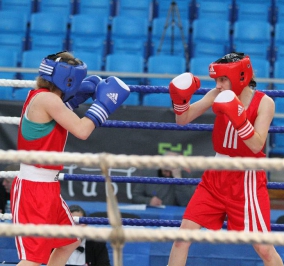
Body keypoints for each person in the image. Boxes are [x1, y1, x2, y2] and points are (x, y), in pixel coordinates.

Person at [10, 50, 130, 266]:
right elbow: (82, 130)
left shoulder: (42, 96)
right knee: (33, 260)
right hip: (34, 189)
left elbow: (59, 113)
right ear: (68, 80)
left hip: (48, 188)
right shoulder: (48, 100)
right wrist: (104, 104)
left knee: (69, 241)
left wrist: (78, 97)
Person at [167, 52, 284, 266]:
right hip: (216, 175)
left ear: (240, 76)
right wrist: (180, 100)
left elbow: (257, 144)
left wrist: (238, 117)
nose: (218, 85)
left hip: (246, 179)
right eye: (217, 80)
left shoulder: (264, 103)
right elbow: (182, 119)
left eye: (223, 79)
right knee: (182, 239)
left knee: (264, 249)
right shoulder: (215, 94)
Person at [131, 152, 197, 207]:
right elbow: (136, 196)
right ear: (160, 166)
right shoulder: (148, 173)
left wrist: (178, 179)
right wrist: (149, 201)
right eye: (165, 171)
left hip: (175, 217)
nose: (168, 174)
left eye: (170, 172)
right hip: (152, 215)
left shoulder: (185, 176)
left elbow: (186, 203)